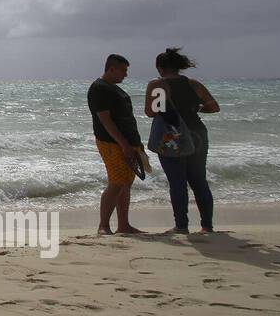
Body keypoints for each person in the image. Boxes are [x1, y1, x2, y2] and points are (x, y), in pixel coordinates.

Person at [145, 47, 219, 234]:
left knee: (177, 182)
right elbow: (213, 107)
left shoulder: (158, 85)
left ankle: (181, 226)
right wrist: (193, 109)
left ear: (159, 67)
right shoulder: (194, 84)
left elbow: (152, 111)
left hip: (173, 136)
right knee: (199, 180)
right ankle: (207, 226)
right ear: (178, 67)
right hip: (197, 134)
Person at [88, 54, 151, 235]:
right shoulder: (99, 88)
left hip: (128, 142)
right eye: (123, 70)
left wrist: (136, 144)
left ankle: (124, 225)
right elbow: (105, 120)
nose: (125, 75)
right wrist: (123, 143)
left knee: (125, 184)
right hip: (112, 143)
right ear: (111, 69)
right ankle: (103, 225)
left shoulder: (114, 89)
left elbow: (126, 119)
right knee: (116, 183)